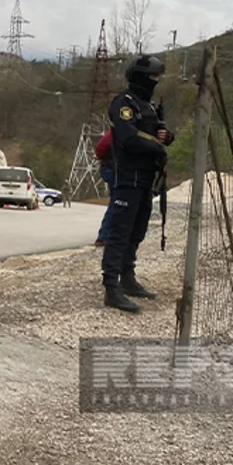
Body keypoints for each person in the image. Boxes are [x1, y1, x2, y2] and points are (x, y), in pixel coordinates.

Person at [102, 55, 173, 313]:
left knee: (137, 230)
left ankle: (128, 277)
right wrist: (157, 145)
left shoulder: (150, 107)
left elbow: (158, 134)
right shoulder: (124, 103)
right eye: (152, 76)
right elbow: (128, 137)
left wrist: (167, 137)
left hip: (146, 178)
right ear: (140, 77)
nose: (155, 81)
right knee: (120, 232)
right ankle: (111, 287)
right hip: (127, 176)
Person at [94, 128, 115, 246]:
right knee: (117, 203)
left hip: (109, 169)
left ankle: (106, 234)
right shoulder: (116, 133)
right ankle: (104, 235)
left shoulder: (112, 134)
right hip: (114, 170)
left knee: (115, 203)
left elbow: (99, 150)